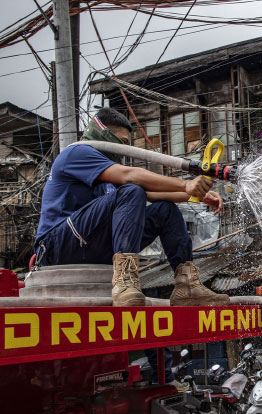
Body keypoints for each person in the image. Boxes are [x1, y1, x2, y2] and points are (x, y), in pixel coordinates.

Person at [33, 107, 229, 307]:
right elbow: (130, 177)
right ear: (103, 133)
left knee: (165, 210)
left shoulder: (108, 174)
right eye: (123, 142)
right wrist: (186, 184)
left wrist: (195, 195)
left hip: (92, 244)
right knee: (132, 190)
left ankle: (187, 286)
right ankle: (125, 282)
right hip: (56, 246)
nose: (125, 149)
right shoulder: (77, 152)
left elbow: (150, 194)